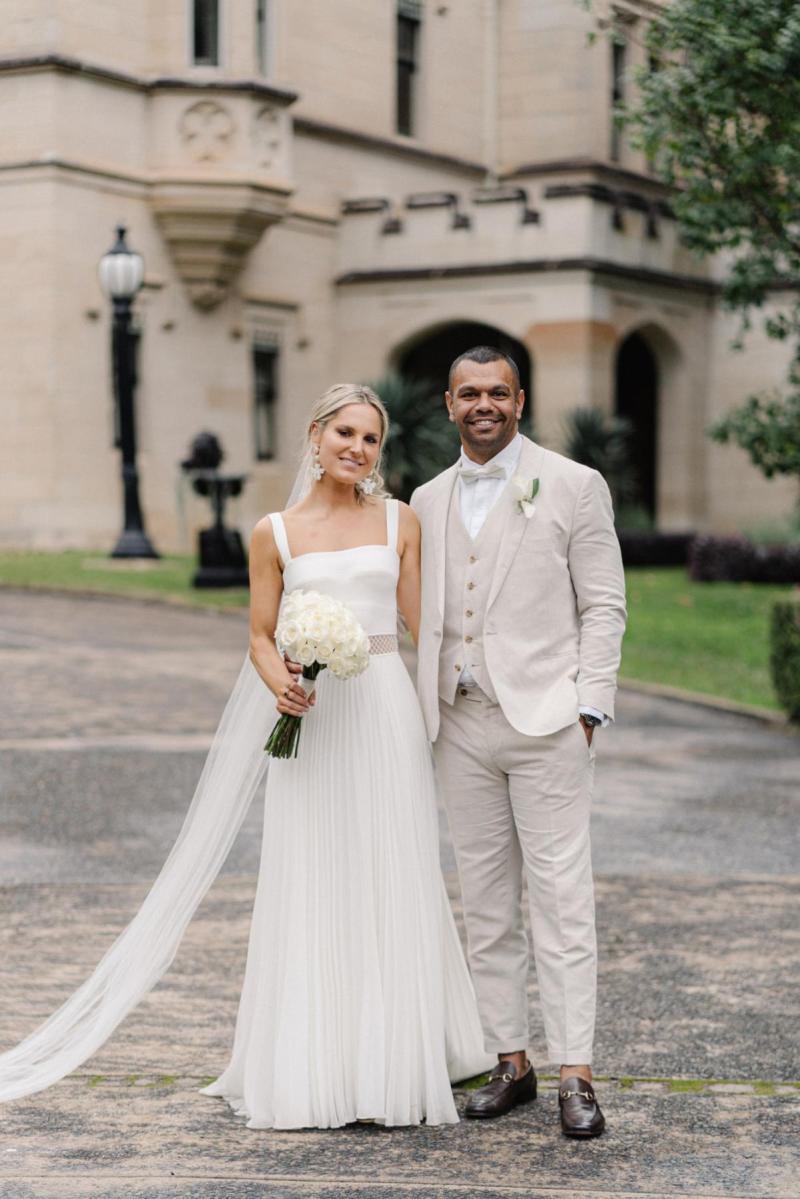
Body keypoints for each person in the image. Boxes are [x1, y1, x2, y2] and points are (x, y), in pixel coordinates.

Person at [0, 383, 492, 1128]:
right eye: (346, 434)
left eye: (371, 439)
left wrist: (472, 692)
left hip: (385, 707)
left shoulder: (402, 521)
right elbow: (262, 635)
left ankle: (395, 1056)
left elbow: (426, 629)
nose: (357, 449)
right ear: (316, 435)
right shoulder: (275, 532)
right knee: (315, 870)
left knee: (394, 865)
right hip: (316, 718)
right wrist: (283, 685)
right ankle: (314, 1061)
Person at [410, 346, 627, 1138]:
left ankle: (577, 1071)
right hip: (458, 722)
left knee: (563, 900)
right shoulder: (426, 498)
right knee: (487, 901)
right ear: (447, 404)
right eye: (469, 393)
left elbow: (604, 606)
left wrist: (588, 709)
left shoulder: (573, 483)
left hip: (547, 723)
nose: (484, 404)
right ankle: (513, 1061)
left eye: (497, 391)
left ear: (521, 399)